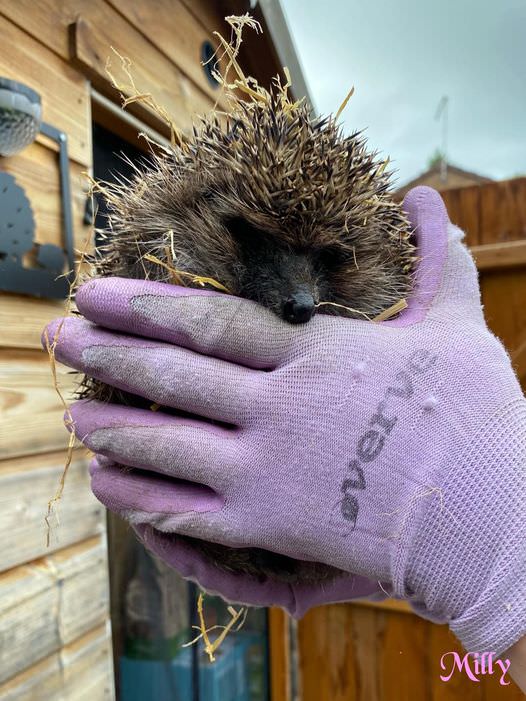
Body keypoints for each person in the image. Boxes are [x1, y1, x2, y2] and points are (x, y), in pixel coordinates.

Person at [43, 186, 526, 690]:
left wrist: (497, 539)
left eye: (323, 259)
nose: (302, 294)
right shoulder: (169, 234)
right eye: (258, 245)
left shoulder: (369, 273)